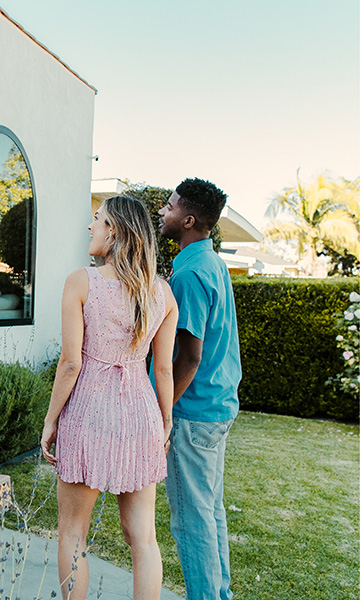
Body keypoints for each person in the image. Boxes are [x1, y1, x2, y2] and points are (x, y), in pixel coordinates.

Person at [41, 195, 178, 600]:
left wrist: (51, 420)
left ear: (114, 230)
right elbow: (164, 369)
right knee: (143, 538)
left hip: (89, 413)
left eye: (97, 220)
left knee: (72, 532)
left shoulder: (81, 282)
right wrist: (165, 420)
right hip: (141, 416)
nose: (90, 226)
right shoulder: (163, 293)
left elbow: (70, 364)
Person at [156, 178, 242, 600]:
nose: (163, 211)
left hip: (194, 412)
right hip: (218, 406)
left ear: (188, 220)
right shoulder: (212, 262)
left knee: (191, 520)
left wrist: (163, 413)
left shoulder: (190, 274)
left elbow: (188, 357)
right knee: (210, 511)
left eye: (170, 207)